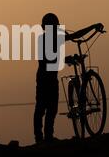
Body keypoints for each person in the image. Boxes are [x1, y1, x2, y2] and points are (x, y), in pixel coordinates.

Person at [34, 13, 104, 143]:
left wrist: (92, 27)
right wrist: (66, 59)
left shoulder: (53, 38)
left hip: (49, 78)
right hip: (45, 79)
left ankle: (47, 137)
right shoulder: (44, 40)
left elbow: (75, 36)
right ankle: (40, 138)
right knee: (42, 108)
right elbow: (47, 60)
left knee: (50, 109)